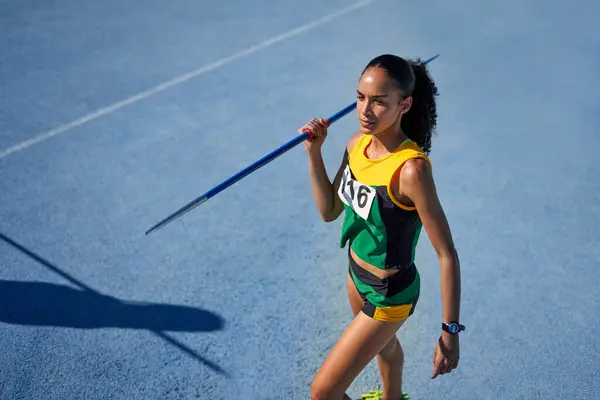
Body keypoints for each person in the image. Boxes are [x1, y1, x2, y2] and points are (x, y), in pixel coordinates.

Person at [299, 54, 463, 400]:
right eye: (360, 97)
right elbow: (330, 210)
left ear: (404, 105)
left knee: (322, 393)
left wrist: (450, 332)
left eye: (378, 102)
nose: (365, 110)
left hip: (389, 294)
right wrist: (314, 153)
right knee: (384, 348)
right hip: (355, 276)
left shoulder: (410, 170)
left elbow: (446, 254)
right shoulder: (356, 145)